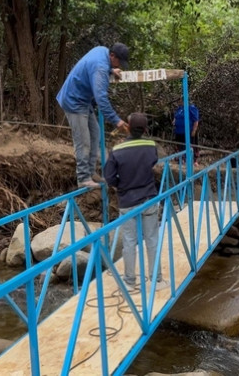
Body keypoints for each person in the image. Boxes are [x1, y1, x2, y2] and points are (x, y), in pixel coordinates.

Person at [103, 113, 166, 292]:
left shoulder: (117, 150)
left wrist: (119, 186)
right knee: (152, 239)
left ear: (128, 127)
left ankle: (130, 281)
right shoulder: (150, 145)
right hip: (149, 199)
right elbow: (153, 163)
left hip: (127, 201)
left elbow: (108, 177)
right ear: (145, 129)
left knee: (129, 241)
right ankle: (156, 280)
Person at [57, 43, 131, 187]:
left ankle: (90, 172)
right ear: (112, 55)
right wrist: (117, 120)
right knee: (83, 141)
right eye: (119, 62)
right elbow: (101, 99)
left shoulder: (102, 51)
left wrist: (111, 69)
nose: (120, 66)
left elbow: (94, 66)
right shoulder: (100, 68)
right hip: (74, 101)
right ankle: (83, 178)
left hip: (83, 100)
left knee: (96, 134)